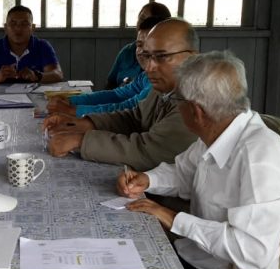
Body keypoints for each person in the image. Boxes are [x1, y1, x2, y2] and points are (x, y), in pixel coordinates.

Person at [116, 50, 280, 269]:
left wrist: (174, 219)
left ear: (196, 111)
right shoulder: (220, 134)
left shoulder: (260, 156)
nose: (176, 107)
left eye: (178, 102)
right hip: (199, 267)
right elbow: (182, 173)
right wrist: (147, 179)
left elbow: (251, 252)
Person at [43, 18, 198, 170]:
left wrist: (82, 141)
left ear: (192, 56)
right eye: (147, 56)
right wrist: (83, 123)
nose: (149, 67)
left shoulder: (197, 99)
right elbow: (134, 117)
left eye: (162, 57)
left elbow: (148, 151)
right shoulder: (164, 88)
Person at [46, 15, 168, 118]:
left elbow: (129, 107)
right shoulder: (145, 76)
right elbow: (116, 94)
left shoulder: (161, 82)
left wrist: (74, 110)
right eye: (139, 45)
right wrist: (70, 101)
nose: (143, 51)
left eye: (151, 46)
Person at [0, 5, 64, 84]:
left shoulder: (42, 46)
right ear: (6, 28)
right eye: (13, 23)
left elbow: (57, 74)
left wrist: (37, 75)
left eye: (24, 24)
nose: (18, 28)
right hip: (0, 101)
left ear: (33, 28)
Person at [104, 2, 172, 90]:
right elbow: (112, 86)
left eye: (145, 20)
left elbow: (134, 101)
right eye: (140, 18)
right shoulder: (127, 51)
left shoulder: (161, 73)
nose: (141, 23)